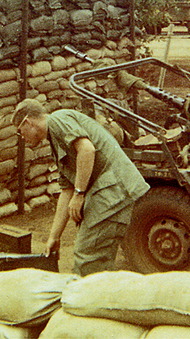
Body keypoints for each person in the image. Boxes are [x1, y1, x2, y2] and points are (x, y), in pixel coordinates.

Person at [13, 98, 149, 276]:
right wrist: (54, 236)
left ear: (28, 122)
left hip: (113, 189)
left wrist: (79, 194)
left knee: (88, 257)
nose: (22, 137)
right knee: (95, 259)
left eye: (19, 131)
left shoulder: (57, 120)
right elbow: (66, 191)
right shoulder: (56, 139)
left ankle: (91, 302)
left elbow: (86, 149)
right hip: (110, 191)